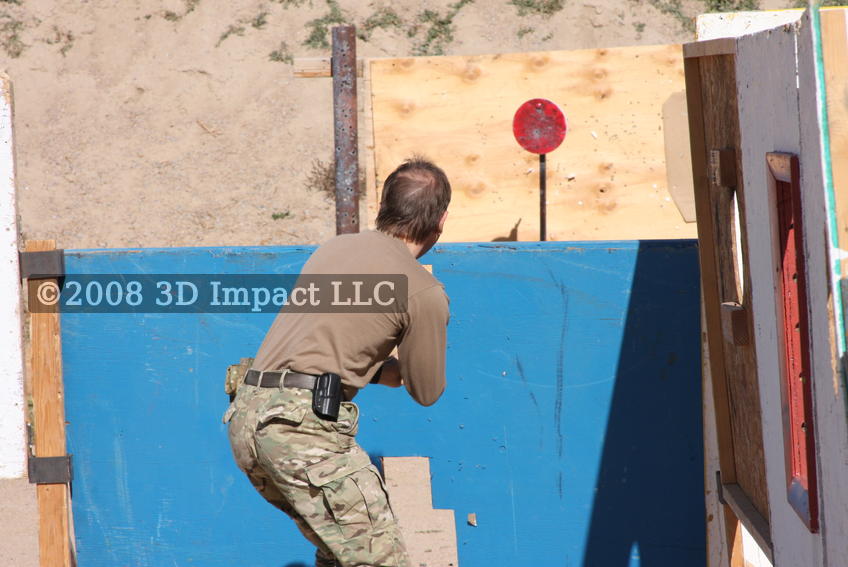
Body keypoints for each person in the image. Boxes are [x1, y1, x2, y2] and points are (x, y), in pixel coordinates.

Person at [224, 157, 452, 567]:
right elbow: (426, 391)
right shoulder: (423, 290)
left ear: (385, 207)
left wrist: (379, 369)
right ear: (442, 220)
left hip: (249, 419)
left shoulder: (335, 249)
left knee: (338, 554)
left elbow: (326, 346)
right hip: (302, 432)